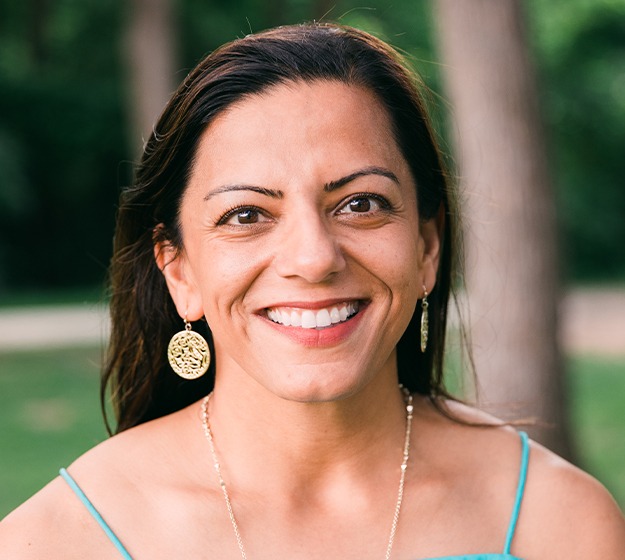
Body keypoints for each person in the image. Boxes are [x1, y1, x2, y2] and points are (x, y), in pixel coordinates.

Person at [1, 22, 624, 559]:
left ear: (428, 248)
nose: (313, 258)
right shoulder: (55, 540)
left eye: (360, 203)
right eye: (246, 215)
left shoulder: (559, 523)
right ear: (179, 272)